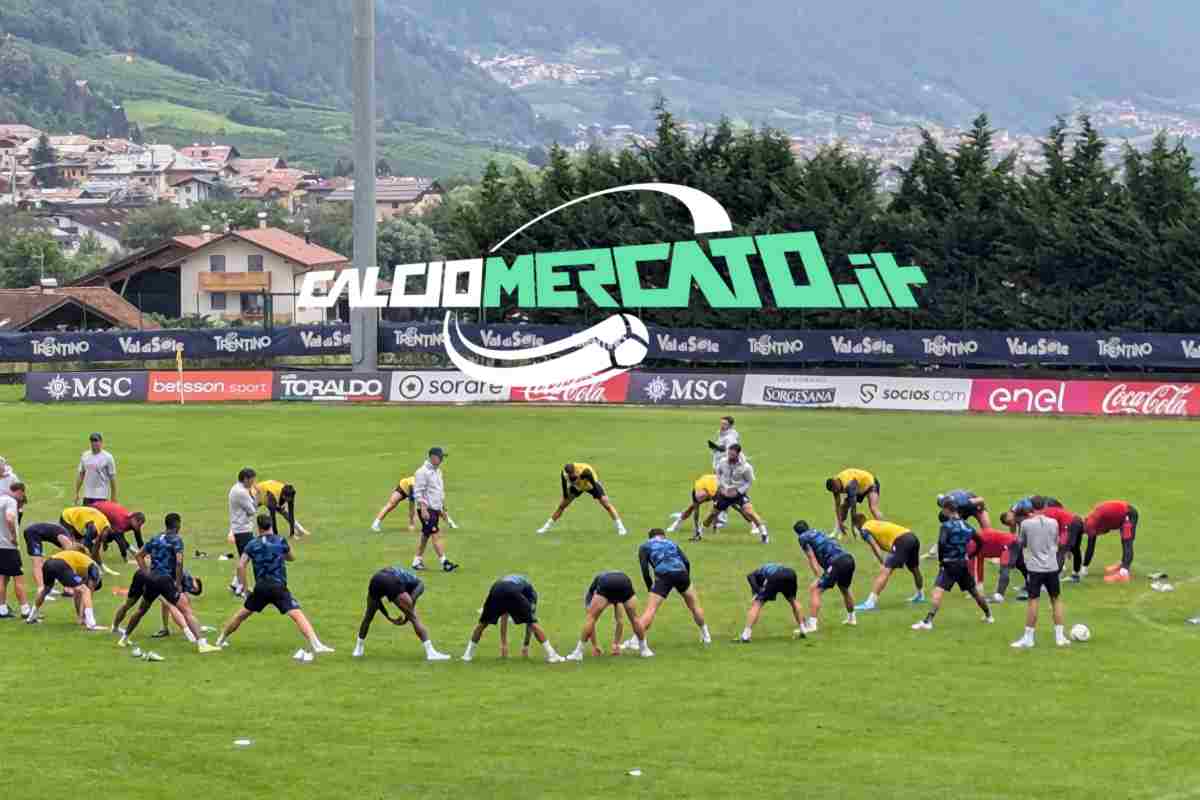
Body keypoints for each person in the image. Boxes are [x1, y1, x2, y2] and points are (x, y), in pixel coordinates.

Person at [215, 514, 334, 655]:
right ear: (271, 525)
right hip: (278, 586)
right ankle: (317, 645)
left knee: (241, 615)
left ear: (258, 528)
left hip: (261, 588)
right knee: (297, 615)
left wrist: (244, 588)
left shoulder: (252, 544)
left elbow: (241, 566)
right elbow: (291, 557)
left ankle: (220, 640)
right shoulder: (280, 541)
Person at [115, 514, 220, 653]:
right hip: (165, 580)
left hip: (152, 578)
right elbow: (179, 562)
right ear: (177, 525)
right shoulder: (176, 541)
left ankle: (124, 638)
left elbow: (139, 555)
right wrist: (177, 583)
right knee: (186, 610)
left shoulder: (156, 538)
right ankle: (202, 644)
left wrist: (146, 573)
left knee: (141, 610)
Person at [912, 501, 993, 631]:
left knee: (938, 590)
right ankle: (989, 615)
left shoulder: (946, 526)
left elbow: (942, 543)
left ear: (947, 510)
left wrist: (941, 560)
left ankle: (928, 621)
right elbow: (980, 541)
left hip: (949, 563)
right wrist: (972, 554)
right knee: (974, 592)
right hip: (963, 563)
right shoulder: (967, 525)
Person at [352, 566, 451, 660]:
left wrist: (390, 618)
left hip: (376, 578)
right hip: (391, 581)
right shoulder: (420, 585)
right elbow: (411, 604)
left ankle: (358, 649)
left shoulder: (405, 578)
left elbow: (377, 604)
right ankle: (431, 652)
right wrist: (407, 617)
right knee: (414, 618)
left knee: (368, 616)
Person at [1011, 496, 1071, 648]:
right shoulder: (1054, 522)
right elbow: (1055, 541)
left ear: (1031, 506)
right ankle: (1060, 637)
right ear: (1045, 506)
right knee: (1056, 600)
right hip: (1052, 566)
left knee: (1033, 601)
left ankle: (1028, 638)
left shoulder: (1025, 524)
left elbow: (1022, 543)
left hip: (1035, 568)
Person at [462, 575, 564, 662]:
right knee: (533, 623)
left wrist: (503, 644)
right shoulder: (532, 594)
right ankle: (552, 655)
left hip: (496, 588)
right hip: (511, 590)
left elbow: (504, 616)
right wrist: (526, 645)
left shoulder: (515, 581)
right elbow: (530, 622)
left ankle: (467, 655)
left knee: (482, 623)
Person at [636, 528, 711, 645]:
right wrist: (687, 579)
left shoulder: (645, 546)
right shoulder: (671, 543)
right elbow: (686, 561)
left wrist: (650, 588)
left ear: (650, 537)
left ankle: (636, 641)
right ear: (663, 536)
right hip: (681, 573)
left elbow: (645, 570)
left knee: (651, 610)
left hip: (664, 575)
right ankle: (706, 635)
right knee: (694, 606)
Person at [566, 570, 652, 659]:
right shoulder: (601, 589)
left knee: (591, 618)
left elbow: (591, 622)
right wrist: (616, 644)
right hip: (624, 581)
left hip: (606, 583)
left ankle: (578, 652)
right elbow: (620, 620)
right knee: (634, 619)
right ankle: (645, 650)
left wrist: (595, 646)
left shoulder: (591, 595)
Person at [852, 513, 925, 611]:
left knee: (885, 572)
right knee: (914, 568)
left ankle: (870, 603)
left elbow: (875, 546)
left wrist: (882, 562)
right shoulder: (873, 523)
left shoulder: (865, 530)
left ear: (857, 524)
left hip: (901, 541)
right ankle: (920, 595)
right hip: (911, 536)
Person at [794, 522, 857, 633]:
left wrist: (818, 576)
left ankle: (812, 625)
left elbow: (811, 557)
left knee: (815, 589)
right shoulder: (818, 532)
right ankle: (852, 618)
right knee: (845, 589)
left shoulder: (803, 538)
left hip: (836, 562)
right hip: (848, 559)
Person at [537, 462, 627, 536]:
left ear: (575, 470)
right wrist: (565, 496)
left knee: (606, 504)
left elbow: (594, 485)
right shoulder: (564, 473)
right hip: (577, 486)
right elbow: (564, 485)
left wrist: (599, 496)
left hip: (590, 485)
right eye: (570, 475)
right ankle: (545, 527)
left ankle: (621, 527)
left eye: (573, 474)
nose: (571, 475)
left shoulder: (585, 471)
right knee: (561, 506)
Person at [25, 549, 104, 630]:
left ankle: (31, 617)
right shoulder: (95, 568)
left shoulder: (83, 564)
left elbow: (77, 592)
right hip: (61, 564)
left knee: (46, 590)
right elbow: (88, 590)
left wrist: (80, 617)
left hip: (48, 563)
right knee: (86, 590)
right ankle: (91, 624)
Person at [411, 447, 459, 572]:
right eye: (440, 457)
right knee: (435, 534)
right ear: (433, 457)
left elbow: (438, 490)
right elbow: (418, 492)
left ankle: (416, 561)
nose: (442, 459)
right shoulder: (422, 472)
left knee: (425, 535)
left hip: (435, 508)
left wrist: (442, 505)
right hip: (427, 509)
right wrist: (423, 509)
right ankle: (445, 562)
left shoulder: (437, 472)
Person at [711, 444, 768, 543]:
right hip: (724, 493)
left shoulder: (746, 467)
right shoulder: (723, 462)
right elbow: (718, 473)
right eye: (729, 453)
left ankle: (764, 533)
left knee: (749, 512)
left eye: (732, 454)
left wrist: (739, 491)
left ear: (738, 454)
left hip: (738, 494)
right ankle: (700, 532)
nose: (730, 456)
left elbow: (749, 481)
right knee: (712, 514)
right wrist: (720, 486)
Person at [738, 563, 807, 643]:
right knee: (793, 601)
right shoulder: (765, 572)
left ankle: (745, 635)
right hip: (791, 574)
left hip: (776, 576)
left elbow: (752, 580)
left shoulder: (754, 576)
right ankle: (803, 630)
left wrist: (758, 593)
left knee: (757, 604)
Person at [1083, 500, 1139, 583]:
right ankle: (1123, 564)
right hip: (1124, 514)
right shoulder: (1090, 519)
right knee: (1125, 541)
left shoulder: (1090, 524)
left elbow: (1090, 546)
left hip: (1128, 515)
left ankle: (1123, 573)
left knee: (1127, 542)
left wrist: (1084, 567)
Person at [967, 527, 1027, 603]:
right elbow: (979, 565)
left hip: (1009, 544)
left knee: (1004, 569)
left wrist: (973, 590)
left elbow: (971, 569)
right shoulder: (974, 541)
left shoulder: (971, 544)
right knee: (1021, 565)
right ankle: (1032, 585)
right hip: (1015, 541)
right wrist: (979, 585)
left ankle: (999, 596)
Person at [60, 504, 120, 576]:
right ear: (106, 533)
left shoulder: (106, 527)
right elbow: (85, 546)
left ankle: (101, 567)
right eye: (104, 539)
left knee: (84, 545)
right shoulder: (93, 528)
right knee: (72, 547)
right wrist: (92, 567)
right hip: (68, 517)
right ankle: (65, 568)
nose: (102, 540)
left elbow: (95, 549)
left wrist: (102, 567)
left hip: (79, 520)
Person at [22, 521, 77, 597]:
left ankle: (47, 588)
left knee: (46, 562)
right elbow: (67, 563)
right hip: (32, 533)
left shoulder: (69, 543)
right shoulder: (68, 543)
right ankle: (41, 591)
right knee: (37, 562)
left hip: (37, 533)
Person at [0, 484, 30, 620]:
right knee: (18, 578)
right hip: (8, 547)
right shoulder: (10, 501)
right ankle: (26, 610)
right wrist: (13, 536)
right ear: (19, 492)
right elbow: (10, 518)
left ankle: (2, 610)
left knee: (2, 578)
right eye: (22, 496)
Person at [227, 467, 258, 597]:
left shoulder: (236, 488)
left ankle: (235, 584)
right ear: (245, 479)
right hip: (243, 529)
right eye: (252, 480)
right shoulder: (241, 492)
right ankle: (241, 588)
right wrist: (255, 498)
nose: (253, 482)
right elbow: (252, 510)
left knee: (244, 558)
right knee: (245, 559)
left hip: (239, 528)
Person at [827, 468, 881, 535]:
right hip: (858, 487)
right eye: (834, 491)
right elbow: (837, 506)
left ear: (836, 484)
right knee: (843, 507)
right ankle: (837, 530)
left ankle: (884, 528)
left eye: (836, 490)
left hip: (870, 483)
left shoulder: (849, 485)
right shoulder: (834, 486)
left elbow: (853, 507)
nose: (836, 492)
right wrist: (840, 523)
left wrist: (853, 526)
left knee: (873, 508)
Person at [707, 415, 739, 528]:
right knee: (719, 492)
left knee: (723, 493)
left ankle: (721, 519)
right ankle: (719, 517)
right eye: (721, 423)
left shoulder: (730, 437)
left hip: (724, 468)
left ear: (730, 425)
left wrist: (719, 449)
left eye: (725, 424)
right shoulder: (722, 433)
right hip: (718, 465)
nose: (722, 425)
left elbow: (731, 451)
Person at [75, 432, 117, 505]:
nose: (94, 443)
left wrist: (113, 496)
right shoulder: (85, 455)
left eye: (96, 441)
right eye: (92, 441)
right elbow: (81, 475)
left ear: (101, 442)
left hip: (101, 496)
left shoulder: (108, 457)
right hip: (87, 495)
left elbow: (112, 478)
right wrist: (77, 492)